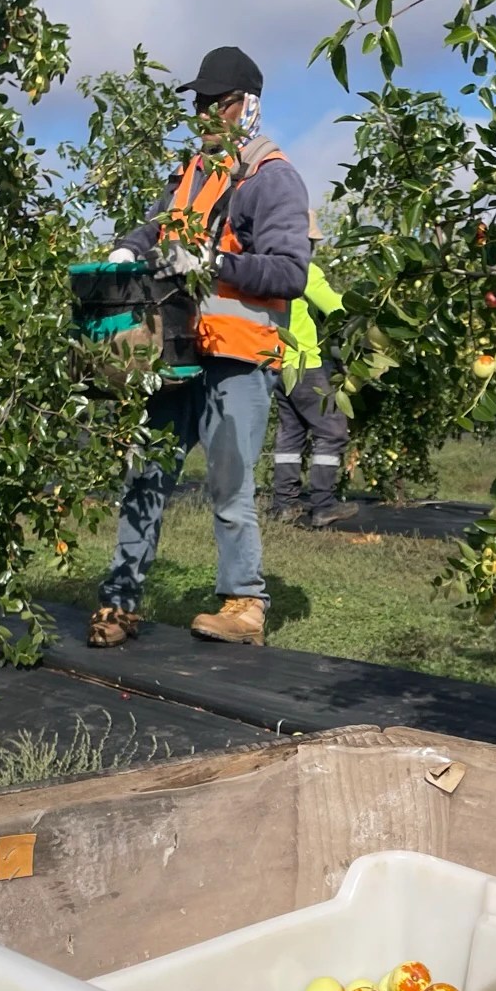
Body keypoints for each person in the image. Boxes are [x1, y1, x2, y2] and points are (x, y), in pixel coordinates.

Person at [87, 46, 311, 649]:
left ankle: (246, 603)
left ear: (250, 105)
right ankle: (120, 601)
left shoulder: (272, 179)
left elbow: (291, 271)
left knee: (229, 483)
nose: (209, 114)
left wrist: (216, 261)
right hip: (177, 355)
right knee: (146, 473)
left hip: (237, 357)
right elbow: (155, 226)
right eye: (201, 104)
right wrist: (128, 248)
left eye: (222, 102)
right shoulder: (191, 173)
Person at [269, 217, 358, 528]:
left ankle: (284, 503)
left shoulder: (268, 270)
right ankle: (323, 503)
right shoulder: (303, 270)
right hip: (307, 363)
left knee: (290, 434)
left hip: (278, 366)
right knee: (332, 431)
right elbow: (337, 308)